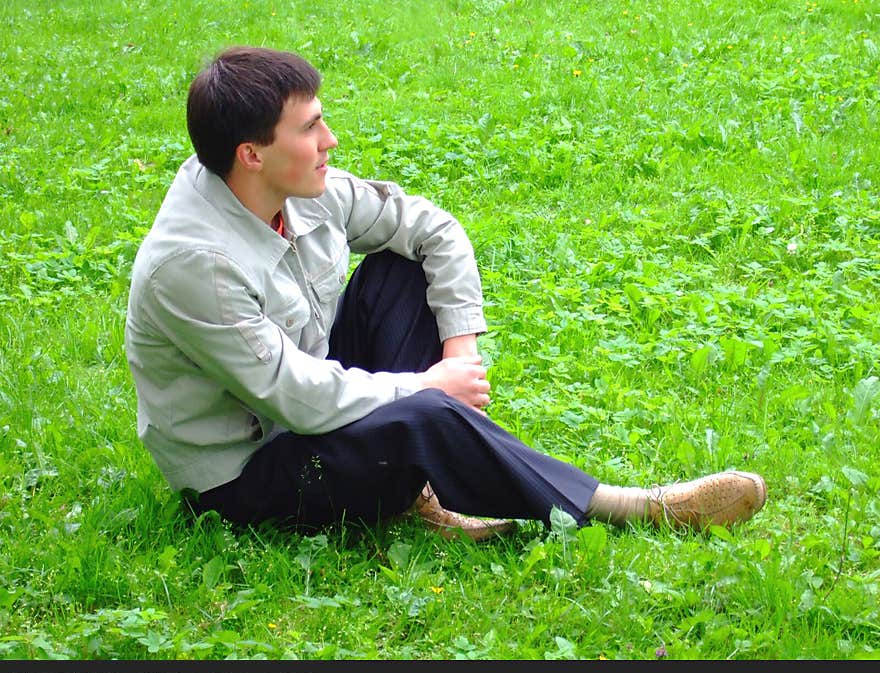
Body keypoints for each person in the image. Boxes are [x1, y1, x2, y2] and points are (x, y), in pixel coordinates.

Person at [124, 46, 767, 542]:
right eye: (310, 128)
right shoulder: (194, 267)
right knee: (426, 412)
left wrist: (457, 359)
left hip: (312, 396)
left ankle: (419, 482)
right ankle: (627, 507)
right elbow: (299, 400)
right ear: (252, 154)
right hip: (250, 474)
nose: (331, 142)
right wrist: (428, 388)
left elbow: (433, 229)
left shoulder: (290, 189)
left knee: (401, 273)